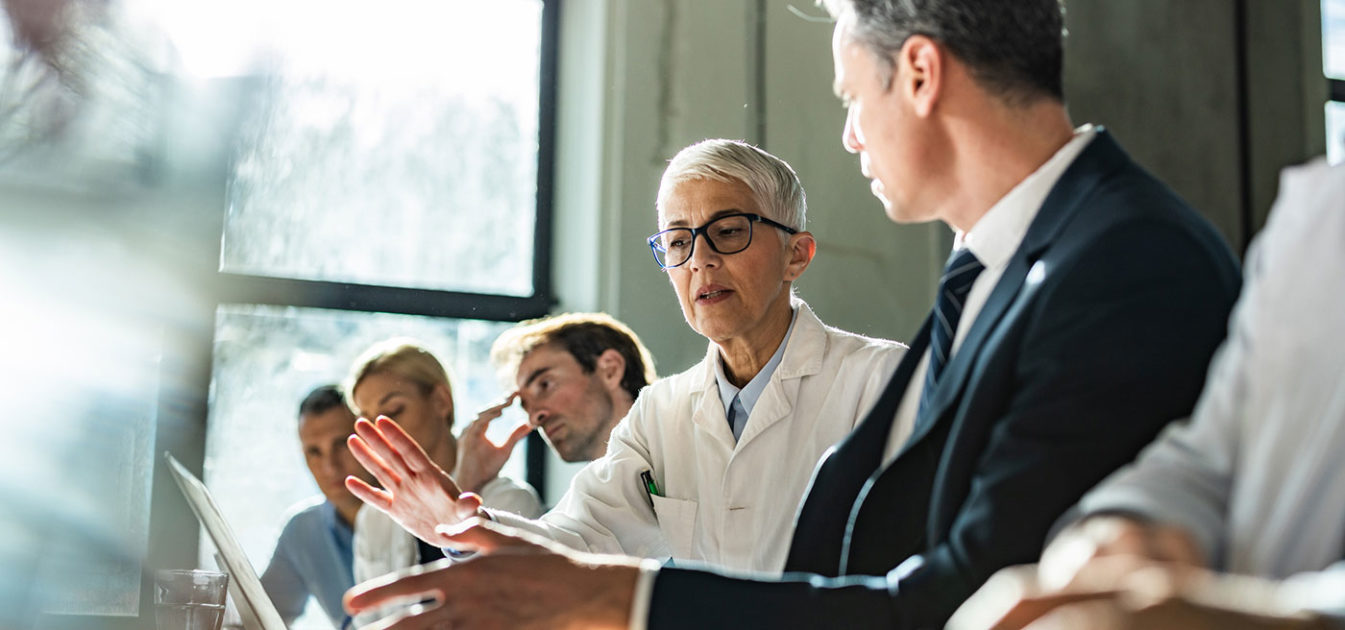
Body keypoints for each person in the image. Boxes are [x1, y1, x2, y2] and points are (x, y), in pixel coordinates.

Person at [341, 2, 1244, 629]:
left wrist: (626, 606)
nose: (850, 133)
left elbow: (969, 597)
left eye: (853, 96)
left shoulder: (1121, 265)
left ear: (920, 72)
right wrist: (468, 527)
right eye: (677, 244)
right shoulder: (1004, 271)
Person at [343, 138, 908, 578]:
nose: (700, 262)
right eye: (679, 242)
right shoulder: (660, 413)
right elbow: (578, 539)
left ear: (796, 254)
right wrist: (460, 524)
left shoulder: (884, 382)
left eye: (729, 231)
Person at [946, 159, 1345, 630]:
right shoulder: (1320, 214)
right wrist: (1125, 529)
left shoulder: (1137, 246)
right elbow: (1211, 458)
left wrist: (1292, 619)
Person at [341, 339, 544, 625]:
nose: (379, 433)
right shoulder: (374, 516)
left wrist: (465, 493)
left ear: (441, 401)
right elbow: (368, 620)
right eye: (367, 421)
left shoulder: (510, 503)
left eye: (394, 412)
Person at [451, 313, 658, 496]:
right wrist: (469, 484)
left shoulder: (683, 459)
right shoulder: (588, 504)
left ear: (610, 370)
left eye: (545, 384)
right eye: (525, 405)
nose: (534, 418)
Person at [257, 385, 373, 628]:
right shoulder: (302, 531)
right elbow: (259, 619)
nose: (330, 467)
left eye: (342, 444)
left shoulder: (415, 520)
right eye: (314, 452)